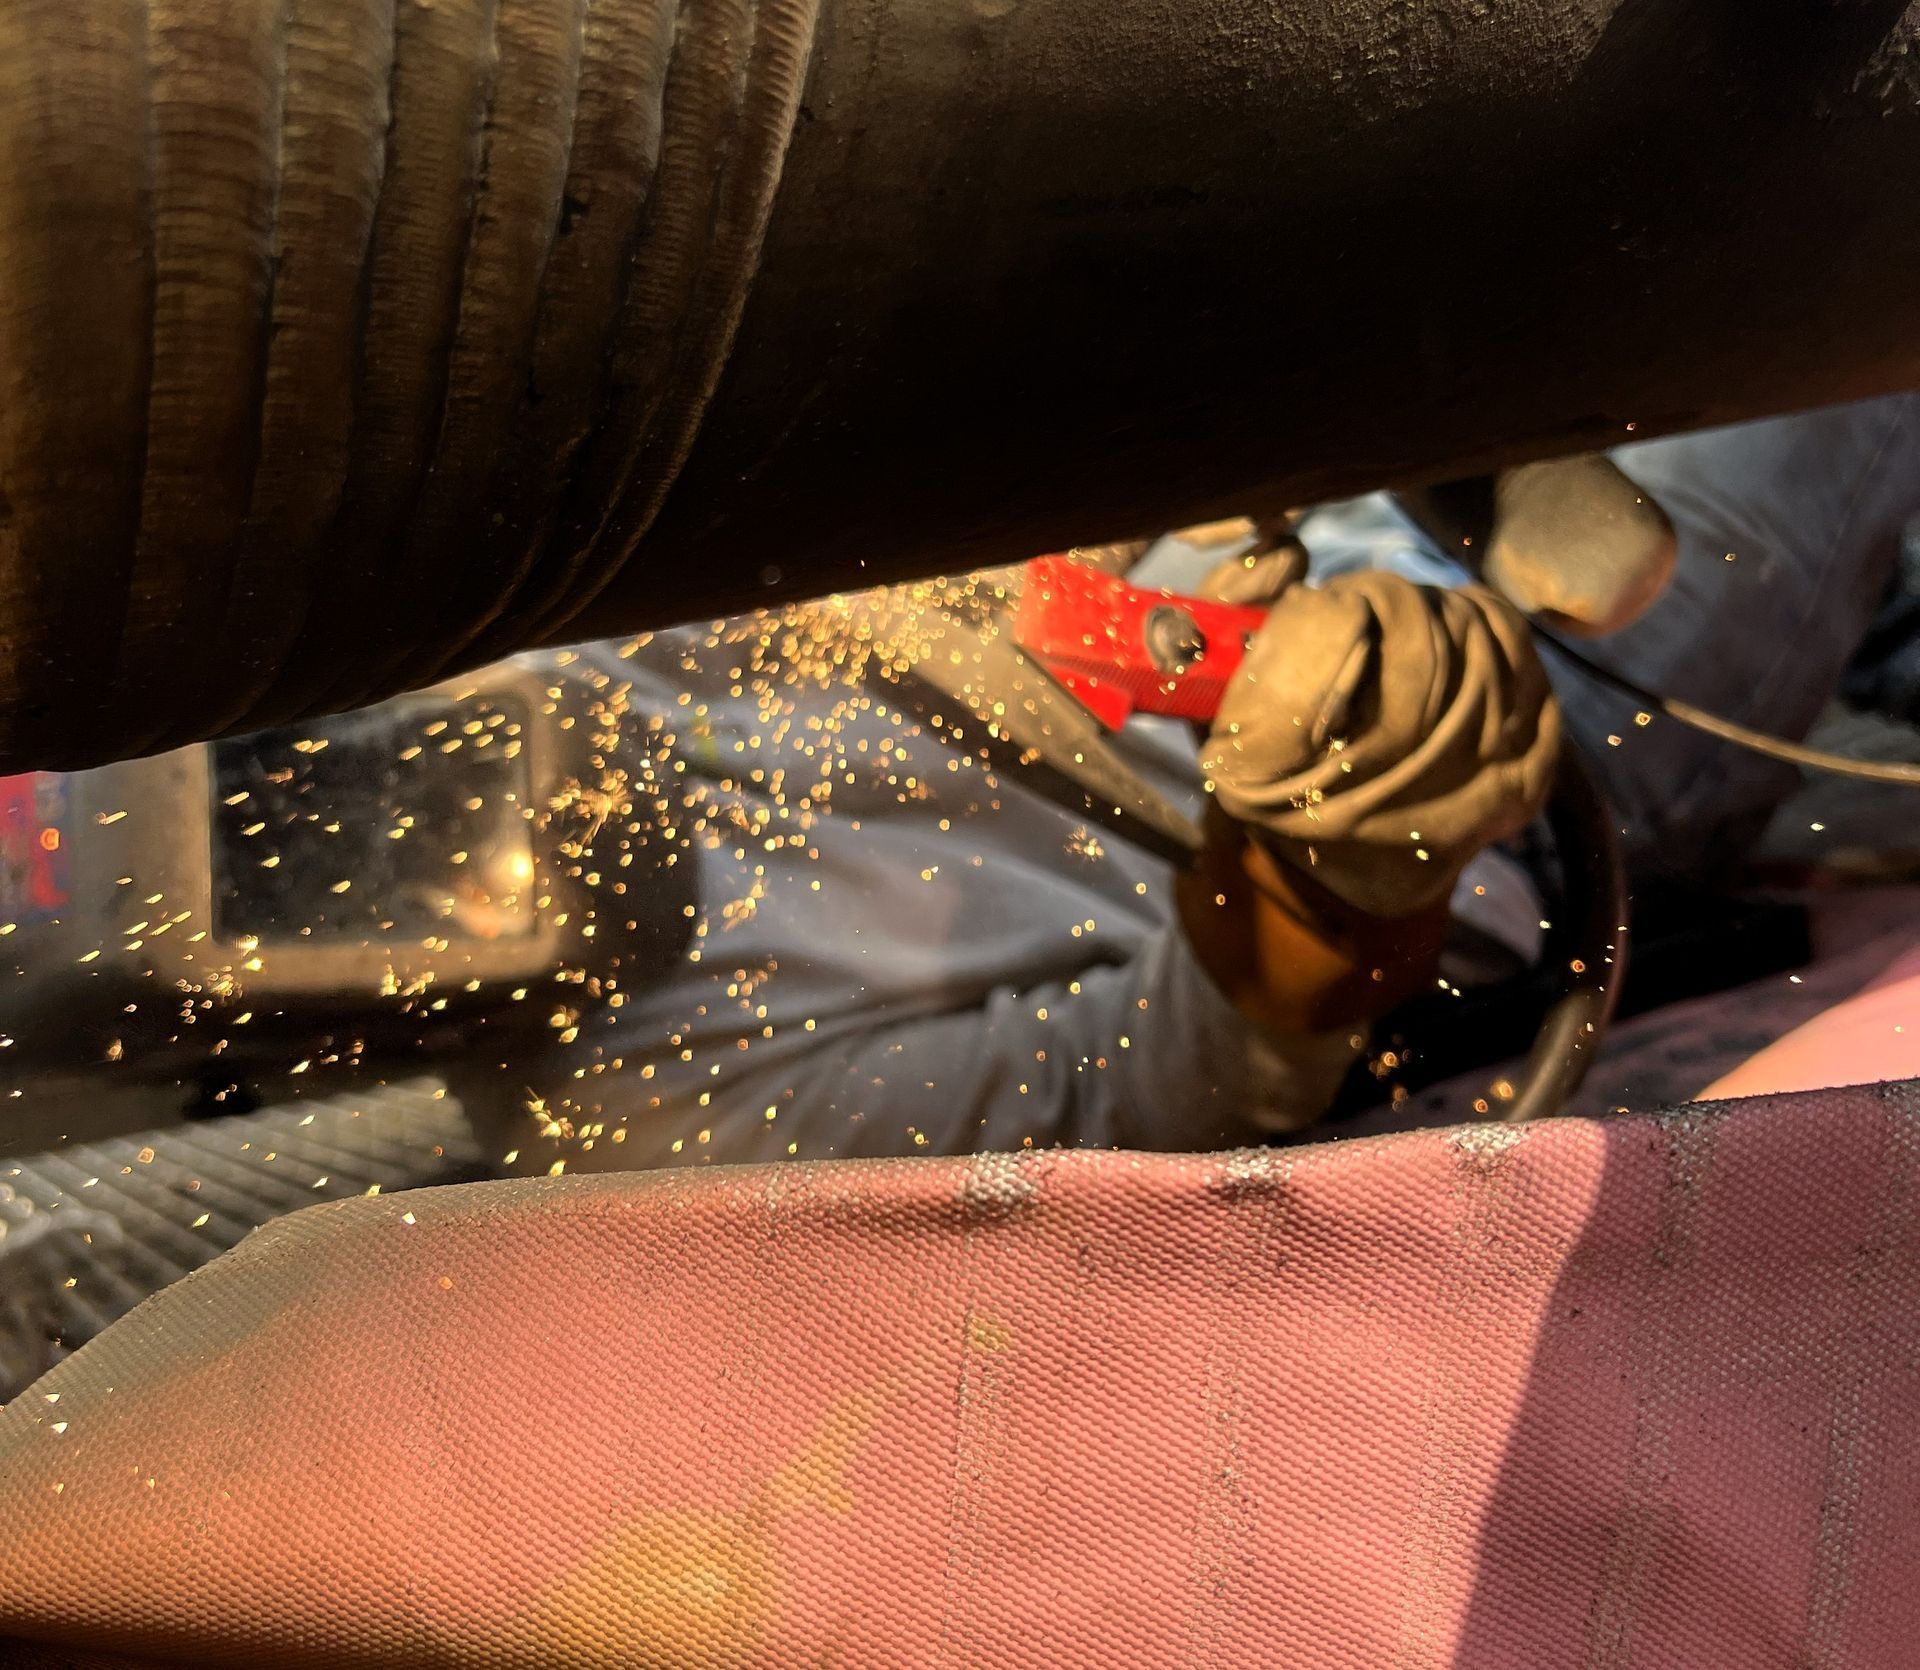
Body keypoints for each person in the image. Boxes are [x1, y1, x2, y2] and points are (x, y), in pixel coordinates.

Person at [465, 393, 1920, 1176]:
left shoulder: (539, 609)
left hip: (1356, 491)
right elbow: (1203, 1063)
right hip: (1554, 755)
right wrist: (1343, 859)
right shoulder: (651, 1115)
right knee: (1848, 283)